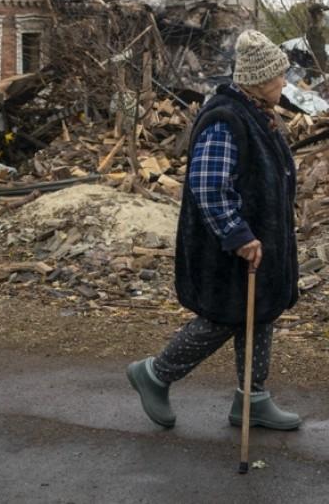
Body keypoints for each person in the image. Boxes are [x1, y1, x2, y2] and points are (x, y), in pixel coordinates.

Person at [127, 29, 301, 430]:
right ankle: (154, 374)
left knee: (260, 314)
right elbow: (208, 186)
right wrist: (238, 235)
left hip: (259, 240)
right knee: (224, 317)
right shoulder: (226, 119)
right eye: (279, 75)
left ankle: (252, 400)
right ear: (259, 79)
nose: (284, 81)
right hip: (227, 247)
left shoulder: (258, 113)